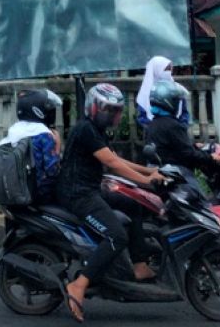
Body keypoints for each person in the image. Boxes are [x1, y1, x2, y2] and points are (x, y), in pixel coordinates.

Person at [58, 84, 168, 323]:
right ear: (95, 108)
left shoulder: (96, 129)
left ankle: (139, 265)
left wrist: (148, 170)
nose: (116, 115)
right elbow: (112, 163)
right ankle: (79, 284)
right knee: (116, 236)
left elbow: (114, 158)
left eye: (117, 110)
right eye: (110, 110)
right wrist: (147, 180)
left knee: (134, 204)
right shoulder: (85, 129)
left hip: (92, 190)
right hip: (78, 196)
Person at [141, 80, 220, 191]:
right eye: (176, 101)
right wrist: (211, 158)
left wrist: (193, 146)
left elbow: (172, 147)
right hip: (176, 174)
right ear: (169, 102)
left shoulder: (153, 124)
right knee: (199, 201)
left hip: (160, 171)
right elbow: (188, 155)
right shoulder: (173, 125)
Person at [0, 88, 63, 205]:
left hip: (13, 193)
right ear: (37, 110)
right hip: (38, 194)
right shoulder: (43, 135)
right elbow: (52, 170)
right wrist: (57, 146)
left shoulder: (13, 132)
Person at [135, 56, 189, 125]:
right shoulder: (145, 93)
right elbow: (142, 117)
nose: (168, 72)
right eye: (165, 69)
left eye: (169, 69)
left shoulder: (175, 89)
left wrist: (182, 126)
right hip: (154, 132)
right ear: (156, 70)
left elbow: (184, 112)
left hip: (175, 129)